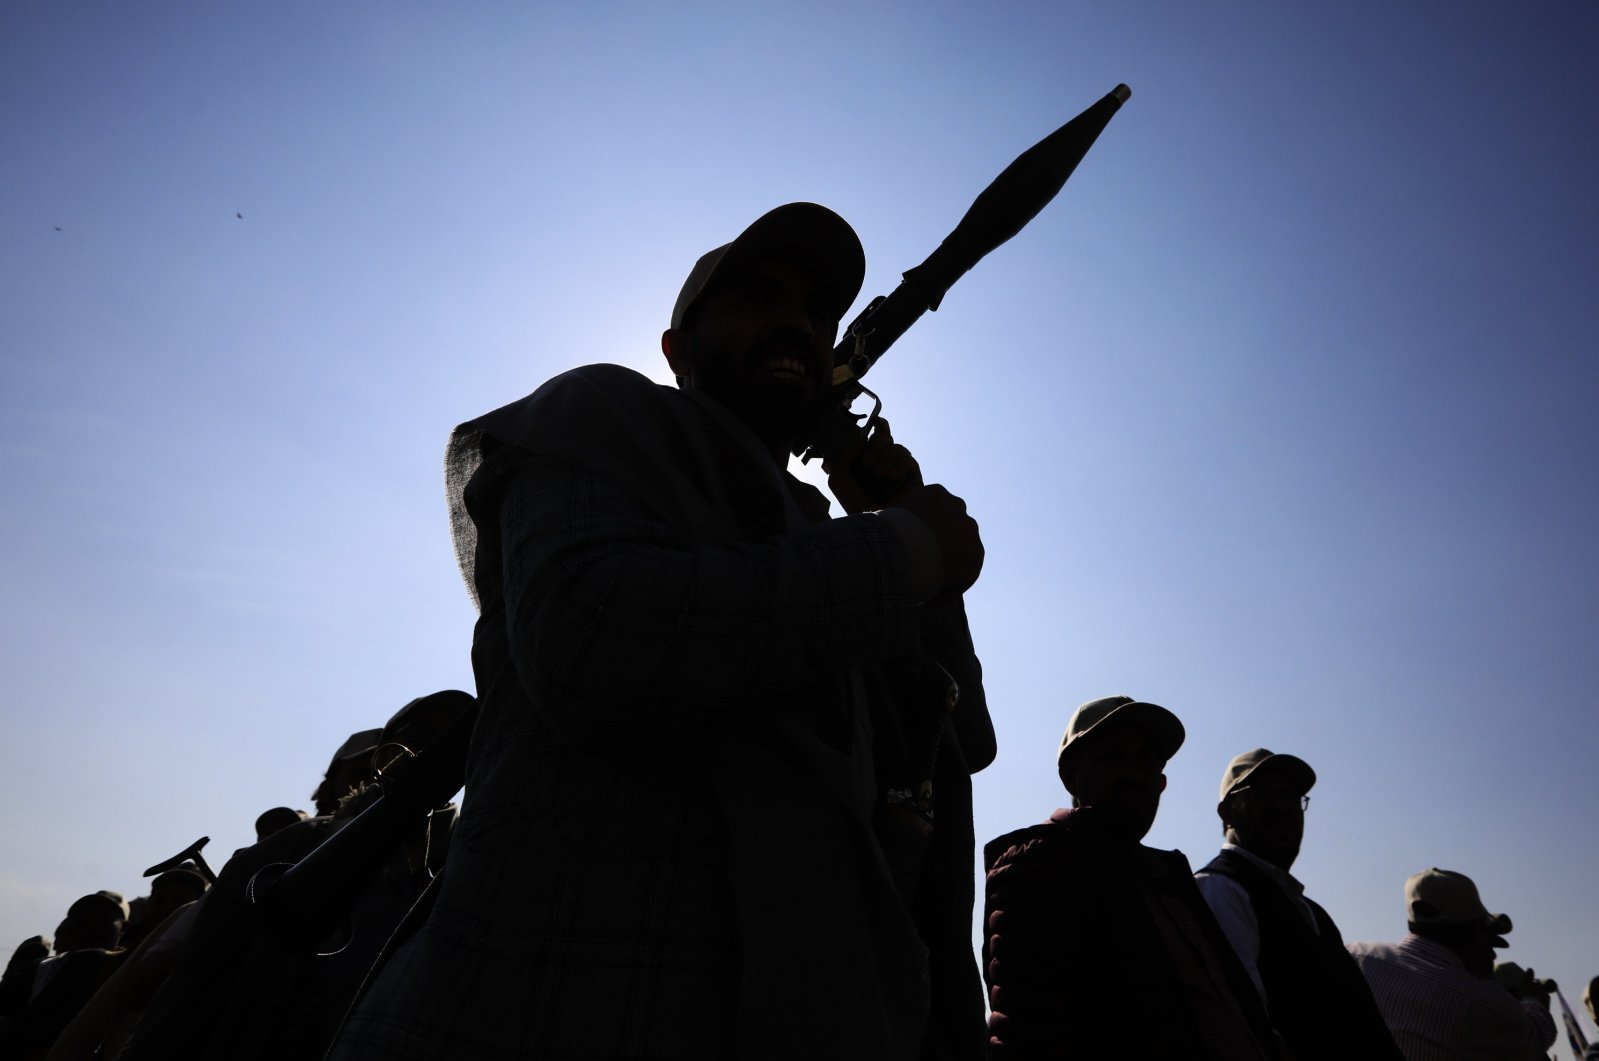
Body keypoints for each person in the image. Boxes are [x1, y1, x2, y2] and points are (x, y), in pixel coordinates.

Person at [328, 203, 994, 1061]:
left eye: (815, 311)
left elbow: (956, 744)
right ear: (677, 351)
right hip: (541, 1002)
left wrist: (911, 544)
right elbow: (595, 639)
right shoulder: (600, 411)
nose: (796, 319)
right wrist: (902, 550)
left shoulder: (820, 537)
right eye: (758, 296)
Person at [982, 695, 1279, 1059]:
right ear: (1071, 775)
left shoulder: (1169, 879)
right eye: (1112, 757)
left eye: (1147, 762)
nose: (1135, 776)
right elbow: (1025, 1033)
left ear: (1162, 783)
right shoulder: (1040, 864)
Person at [1194, 748, 1402, 1060]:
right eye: (1263, 792)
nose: (1283, 807)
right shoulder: (1222, 888)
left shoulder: (1310, 910)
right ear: (1228, 812)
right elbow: (1241, 1027)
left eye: (1291, 796)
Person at [1348, 868, 1555, 1061]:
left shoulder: (1355, 955)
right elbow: (1535, 1037)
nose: (1491, 952)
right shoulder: (1477, 1001)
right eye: (1487, 936)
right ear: (1475, 932)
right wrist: (1533, 999)